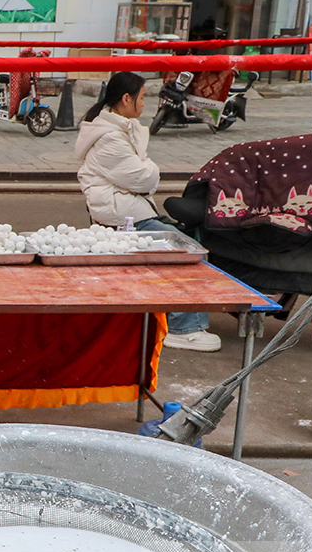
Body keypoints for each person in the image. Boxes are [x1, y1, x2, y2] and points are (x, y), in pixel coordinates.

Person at [77, 72, 222, 352]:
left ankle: (178, 317)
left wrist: (145, 168)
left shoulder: (119, 130)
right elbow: (145, 178)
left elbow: (140, 175)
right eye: (142, 97)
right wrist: (150, 167)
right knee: (187, 251)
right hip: (125, 220)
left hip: (130, 212)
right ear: (126, 99)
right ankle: (183, 328)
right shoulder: (110, 138)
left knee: (187, 239)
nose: (145, 104)